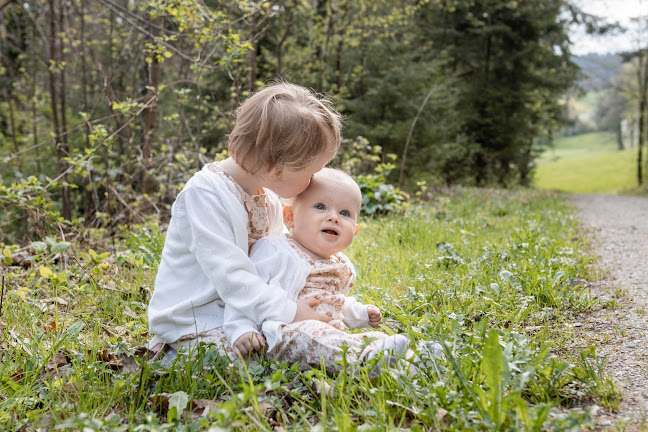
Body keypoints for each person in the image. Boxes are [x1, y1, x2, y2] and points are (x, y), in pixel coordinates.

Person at [147, 82, 342, 360]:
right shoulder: (204, 195)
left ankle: (369, 351)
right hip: (196, 324)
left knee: (300, 336)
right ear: (276, 170)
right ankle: (361, 356)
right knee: (272, 355)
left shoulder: (267, 198)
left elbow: (273, 265)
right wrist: (289, 312)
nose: (313, 183)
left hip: (246, 316)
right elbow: (232, 277)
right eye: (311, 173)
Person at [225, 168, 416, 373]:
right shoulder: (275, 249)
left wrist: (360, 314)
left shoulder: (341, 266)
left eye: (345, 213)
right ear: (290, 218)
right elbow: (247, 291)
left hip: (332, 336)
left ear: (355, 230)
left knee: (375, 338)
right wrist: (240, 328)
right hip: (284, 336)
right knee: (310, 334)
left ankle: (412, 364)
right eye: (320, 207)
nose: (334, 217)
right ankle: (364, 364)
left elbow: (334, 302)